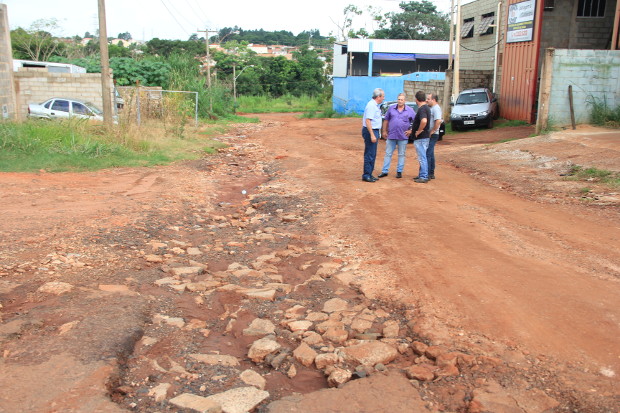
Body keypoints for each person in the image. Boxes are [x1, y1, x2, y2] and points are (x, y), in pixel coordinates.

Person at [377, 93, 415, 179]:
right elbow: (386, 120)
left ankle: (399, 172)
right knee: (388, 153)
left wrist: (411, 130)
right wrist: (384, 131)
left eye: (402, 99)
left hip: (403, 136)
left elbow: (416, 121)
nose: (400, 101)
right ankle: (384, 171)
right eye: (399, 99)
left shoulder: (410, 110)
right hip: (391, 135)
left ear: (405, 101)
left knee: (401, 154)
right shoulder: (391, 108)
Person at [361, 88, 385, 182]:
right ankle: (366, 175)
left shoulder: (375, 105)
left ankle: (369, 174)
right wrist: (372, 134)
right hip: (370, 131)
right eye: (383, 96)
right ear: (378, 97)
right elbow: (368, 121)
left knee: (372, 153)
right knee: (369, 154)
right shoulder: (371, 105)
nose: (383, 98)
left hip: (374, 130)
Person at [411, 90, 432, 183]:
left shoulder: (422, 109)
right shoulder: (426, 108)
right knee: (423, 156)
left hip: (421, 137)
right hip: (424, 137)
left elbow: (423, 121)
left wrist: (418, 131)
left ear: (416, 99)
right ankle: (422, 174)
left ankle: (423, 176)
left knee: (422, 157)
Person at [426, 92, 443, 180]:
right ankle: (431, 173)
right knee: (431, 153)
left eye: (428, 99)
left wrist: (432, 131)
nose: (427, 100)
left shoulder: (436, 108)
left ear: (433, 100)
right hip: (432, 134)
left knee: (428, 153)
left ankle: (428, 173)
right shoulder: (432, 108)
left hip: (433, 135)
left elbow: (438, 121)